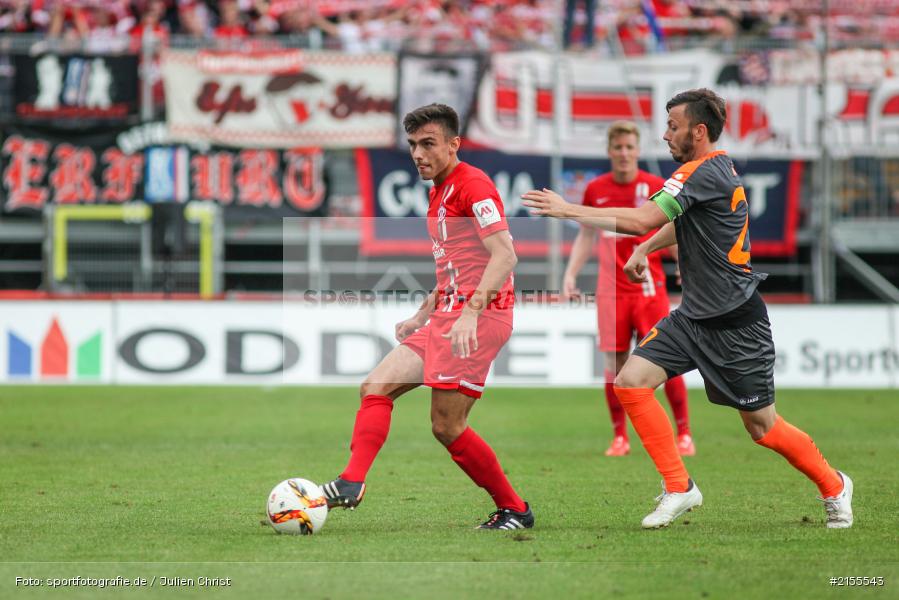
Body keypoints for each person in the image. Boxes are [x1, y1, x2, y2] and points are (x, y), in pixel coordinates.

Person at [522, 88, 853, 530]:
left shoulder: (698, 172)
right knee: (631, 382)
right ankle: (678, 486)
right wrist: (645, 249)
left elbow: (643, 218)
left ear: (698, 131)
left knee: (763, 428)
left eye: (673, 127)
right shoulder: (717, 169)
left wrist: (567, 211)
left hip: (736, 323)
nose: (665, 135)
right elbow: (684, 223)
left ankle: (834, 486)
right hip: (693, 317)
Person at [323, 103, 534, 530]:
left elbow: (505, 254)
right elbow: (457, 267)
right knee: (376, 386)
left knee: (447, 425)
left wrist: (471, 315)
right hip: (449, 317)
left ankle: (515, 509)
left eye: (429, 144)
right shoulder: (439, 190)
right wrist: (422, 314)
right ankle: (351, 482)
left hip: (479, 319)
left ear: (454, 144)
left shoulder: (474, 185)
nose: (419, 154)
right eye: (413, 145)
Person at [563, 120, 693, 458]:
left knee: (666, 359)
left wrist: (682, 263)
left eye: (629, 147)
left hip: (649, 291)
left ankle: (684, 433)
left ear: (637, 151)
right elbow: (587, 236)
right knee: (614, 365)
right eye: (618, 147)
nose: (623, 154)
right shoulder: (596, 190)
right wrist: (571, 274)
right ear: (609, 151)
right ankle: (620, 437)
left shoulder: (654, 185)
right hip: (611, 293)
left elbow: (673, 229)